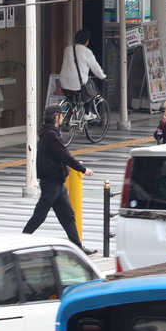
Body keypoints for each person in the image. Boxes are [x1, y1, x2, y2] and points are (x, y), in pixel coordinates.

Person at [23, 105, 97, 254]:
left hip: (57, 181)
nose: (63, 118)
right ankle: (20, 240)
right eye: (62, 115)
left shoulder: (50, 133)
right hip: (51, 181)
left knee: (67, 215)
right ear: (56, 117)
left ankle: (78, 246)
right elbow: (64, 155)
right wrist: (83, 169)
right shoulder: (51, 135)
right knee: (40, 215)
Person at [60, 29, 107, 120]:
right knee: (93, 89)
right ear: (87, 41)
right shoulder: (87, 52)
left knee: (72, 100)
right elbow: (95, 67)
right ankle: (87, 112)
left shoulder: (67, 49)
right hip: (78, 84)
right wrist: (102, 76)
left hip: (64, 83)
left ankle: (69, 118)